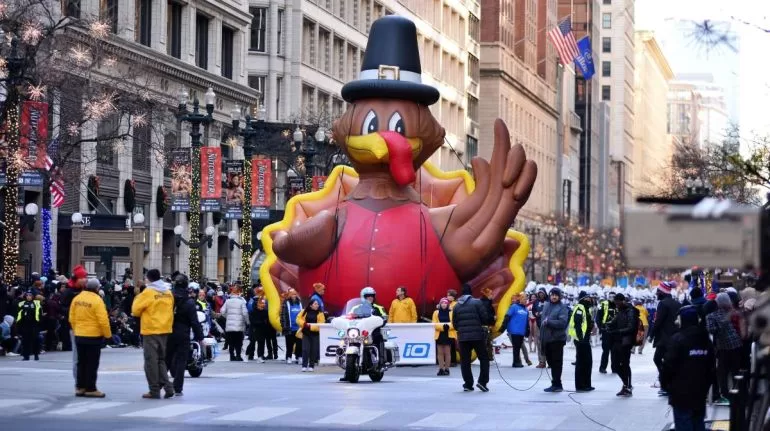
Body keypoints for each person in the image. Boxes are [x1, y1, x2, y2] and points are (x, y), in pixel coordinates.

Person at [662, 306, 715, 431]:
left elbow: (668, 365)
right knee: (698, 422)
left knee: (684, 422)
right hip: (700, 392)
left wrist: (665, 385)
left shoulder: (677, 339)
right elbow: (712, 366)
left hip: (680, 393)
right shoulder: (705, 339)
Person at [132, 268, 175, 399]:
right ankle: (168, 387)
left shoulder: (148, 292)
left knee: (150, 362)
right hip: (165, 329)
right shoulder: (168, 292)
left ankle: (154, 390)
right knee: (161, 360)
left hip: (151, 330)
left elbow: (135, 310)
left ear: (149, 279)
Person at [69, 278, 111, 398]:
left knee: (81, 362)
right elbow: (103, 320)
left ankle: (80, 387)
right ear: (97, 288)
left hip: (79, 334)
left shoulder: (77, 299)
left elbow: (71, 317)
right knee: (92, 363)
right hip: (93, 336)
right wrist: (107, 335)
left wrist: (77, 329)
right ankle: (90, 388)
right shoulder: (97, 300)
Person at [166, 274, 203, 397]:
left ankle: (159, 384)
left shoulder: (168, 298)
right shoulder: (189, 302)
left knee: (166, 359)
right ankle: (178, 388)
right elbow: (194, 321)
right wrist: (200, 337)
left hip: (168, 330)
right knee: (182, 360)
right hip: (183, 333)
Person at [706, 292, 743, 405]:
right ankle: (739, 393)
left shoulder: (712, 316)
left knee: (722, 372)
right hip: (737, 344)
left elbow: (711, 330)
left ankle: (725, 394)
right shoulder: (735, 313)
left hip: (723, 347)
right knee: (736, 370)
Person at [451, 284, 490, 392]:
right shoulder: (477, 302)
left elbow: (454, 324)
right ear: (471, 292)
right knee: (484, 358)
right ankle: (482, 382)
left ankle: (468, 384)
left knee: (465, 361)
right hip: (477, 336)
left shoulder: (456, 306)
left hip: (463, 337)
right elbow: (485, 319)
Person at [650, 281, 682, 396]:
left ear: (662, 292)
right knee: (668, 361)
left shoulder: (663, 304)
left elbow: (658, 321)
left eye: (658, 291)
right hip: (675, 337)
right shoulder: (677, 303)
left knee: (657, 359)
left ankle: (666, 384)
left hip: (664, 339)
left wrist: (652, 334)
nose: (656, 293)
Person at [606, 293, 638, 397]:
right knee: (615, 365)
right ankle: (626, 384)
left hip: (626, 341)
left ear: (623, 301)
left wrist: (618, 331)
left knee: (625, 364)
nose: (616, 305)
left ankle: (627, 386)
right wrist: (607, 325)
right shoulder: (620, 310)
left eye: (617, 303)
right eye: (615, 303)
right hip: (617, 341)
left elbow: (631, 327)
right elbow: (614, 321)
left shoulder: (630, 311)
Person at [541, 287, 569, 392]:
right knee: (550, 362)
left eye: (556, 295)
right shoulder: (546, 305)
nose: (554, 297)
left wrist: (549, 322)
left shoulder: (562, 307)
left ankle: (557, 384)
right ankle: (555, 383)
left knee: (557, 362)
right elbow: (542, 319)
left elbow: (562, 323)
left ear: (559, 296)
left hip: (557, 339)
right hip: (547, 339)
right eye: (552, 295)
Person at [569, 291, 595, 392]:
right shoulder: (580, 307)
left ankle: (586, 384)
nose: (589, 299)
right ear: (582, 299)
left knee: (587, 362)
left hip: (585, 339)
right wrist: (581, 338)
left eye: (589, 297)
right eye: (586, 298)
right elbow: (577, 323)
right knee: (582, 363)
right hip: (581, 340)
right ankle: (581, 385)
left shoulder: (586, 308)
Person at [220, 285, 249, 361]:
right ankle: (238, 356)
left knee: (231, 341)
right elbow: (245, 313)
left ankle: (232, 356)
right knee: (239, 341)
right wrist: (247, 321)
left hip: (229, 326)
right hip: (239, 326)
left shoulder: (227, 301)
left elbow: (222, 311)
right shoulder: (241, 302)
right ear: (239, 293)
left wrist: (228, 316)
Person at [501, 293, 529, 368]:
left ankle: (516, 362)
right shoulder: (514, 307)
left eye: (526, 299)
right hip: (514, 331)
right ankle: (516, 362)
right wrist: (503, 326)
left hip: (521, 332)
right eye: (524, 299)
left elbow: (526, 321)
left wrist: (527, 330)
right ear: (520, 299)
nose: (525, 300)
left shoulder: (526, 309)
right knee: (516, 347)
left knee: (518, 347)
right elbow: (507, 316)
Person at [297, 298, 325, 372]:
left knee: (314, 350)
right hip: (306, 333)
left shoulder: (320, 313)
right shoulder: (304, 311)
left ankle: (311, 365)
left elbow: (321, 324)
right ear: (311, 305)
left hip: (315, 334)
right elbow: (298, 319)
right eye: (315, 304)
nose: (317, 305)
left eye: (317, 304)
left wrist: (311, 327)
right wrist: (304, 324)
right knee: (305, 349)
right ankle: (304, 365)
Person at [432, 297, 455, 376]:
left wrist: (448, 327)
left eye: (445, 303)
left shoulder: (451, 312)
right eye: (442, 303)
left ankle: (447, 369)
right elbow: (434, 323)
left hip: (448, 334)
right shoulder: (436, 312)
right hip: (440, 334)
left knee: (447, 352)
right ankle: (441, 368)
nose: (444, 304)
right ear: (440, 304)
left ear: (448, 304)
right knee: (440, 353)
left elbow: (454, 323)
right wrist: (442, 327)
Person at [16, 290, 41, 361]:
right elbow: (19, 313)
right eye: (27, 295)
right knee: (25, 341)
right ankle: (26, 356)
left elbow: (39, 313)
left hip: (34, 325)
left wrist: (38, 322)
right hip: (25, 325)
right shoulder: (22, 303)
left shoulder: (36, 303)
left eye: (30, 295)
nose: (28, 297)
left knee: (35, 340)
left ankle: (36, 355)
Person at [280, 289, 303, 364]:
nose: (294, 296)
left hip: (298, 328)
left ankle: (299, 356)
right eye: (293, 294)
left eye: (295, 294)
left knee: (299, 344)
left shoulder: (299, 303)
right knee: (289, 344)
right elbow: (282, 315)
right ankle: (288, 357)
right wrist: (284, 326)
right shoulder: (286, 303)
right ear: (289, 295)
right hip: (289, 327)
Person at [597, 292, 617, 373]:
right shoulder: (603, 304)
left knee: (614, 351)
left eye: (613, 296)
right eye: (610, 296)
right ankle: (602, 368)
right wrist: (601, 328)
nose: (612, 298)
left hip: (615, 331)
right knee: (605, 351)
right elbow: (598, 317)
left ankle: (614, 368)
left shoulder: (618, 305)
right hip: (606, 331)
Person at [248, 298, 271, 362]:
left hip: (262, 329)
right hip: (254, 329)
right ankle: (248, 354)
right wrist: (261, 322)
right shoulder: (252, 312)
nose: (262, 305)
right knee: (252, 343)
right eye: (261, 304)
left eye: (263, 304)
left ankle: (260, 356)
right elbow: (252, 321)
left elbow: (267, 320)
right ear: (257, 305)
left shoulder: (265, 312)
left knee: (261, 343)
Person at [532, 288, 548, 368]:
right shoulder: (536, 302)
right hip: (539, 325)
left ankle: (550, 361)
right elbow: (533, 310)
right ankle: (541, 362)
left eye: (542, 293)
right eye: (539, 293)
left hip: (547, 326)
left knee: (548, 344)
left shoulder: (548, 301)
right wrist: (536, 314)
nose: (541, 295)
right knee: (539, 344)